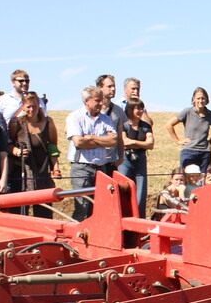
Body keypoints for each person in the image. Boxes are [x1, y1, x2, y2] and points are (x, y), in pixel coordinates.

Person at [66, 85, 119, 221]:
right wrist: (102, 140)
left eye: (101, 100)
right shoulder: (75, 117)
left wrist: (91, 137)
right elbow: (78, 142)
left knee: (98, 207)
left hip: (100, 168)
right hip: (81, 168)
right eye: (97, 100)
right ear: (87, 101)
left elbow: (113, 140)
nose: (101, 103)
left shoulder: (105, 119)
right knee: (82, 207)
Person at [8, 92, 60, 217]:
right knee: (20, 210)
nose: (31, 110)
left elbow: (52, 147)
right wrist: (17, 151)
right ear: (23, 106)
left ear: (39, 106)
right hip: (22, 170)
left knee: (44, 210)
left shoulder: (48, 122)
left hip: (42, 171)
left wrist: (56, 168)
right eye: (28, 106)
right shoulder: (17, 123)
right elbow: (8, 144)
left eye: (34, 106)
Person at [166, 87, 211, 170]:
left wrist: (209, 142)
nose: (200, 101)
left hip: (205, 152)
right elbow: (169, 124)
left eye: (203, 98)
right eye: (198, 98)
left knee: (203, 180)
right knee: (187, 178)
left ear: (206, 100)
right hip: (189, 151)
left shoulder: (210, 115)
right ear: (193, 99)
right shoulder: (187, 112)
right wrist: (178, 140)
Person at [119, 97, 154, 215]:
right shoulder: (124, 125)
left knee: (141, 193)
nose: (140, 111)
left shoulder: (145, 126)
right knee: (124, 189)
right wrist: (142, 144)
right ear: (130, 109)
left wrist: (133, 143)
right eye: (137, 108)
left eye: (141, 108)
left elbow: (150, 144)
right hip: (125, 160)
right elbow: (124, 142)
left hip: (140, 159)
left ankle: (139, 219)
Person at [96, 74, 126, 167]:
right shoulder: (93, 109)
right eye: (109, 86)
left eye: (114, 86)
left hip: (111, 160)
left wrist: (121, 157)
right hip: (95, 159)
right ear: (100, 88)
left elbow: (120, 137)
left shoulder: (118, 111)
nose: (113, 89)